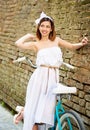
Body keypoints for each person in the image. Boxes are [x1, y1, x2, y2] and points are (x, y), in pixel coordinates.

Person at [14, 12, 88, 130]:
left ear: (51, 28)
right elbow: (18, 43)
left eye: (48, 26)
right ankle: (26, 113)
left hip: (53, 77)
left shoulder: (56, 40)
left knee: (45, 111)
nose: (45, 29)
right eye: (42, 25)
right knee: (37, 111)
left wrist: (82, 43)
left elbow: (72, 46)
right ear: (39, 27)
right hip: (40, 78)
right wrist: (29, 35)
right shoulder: (36, 44)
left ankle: (24, 112)